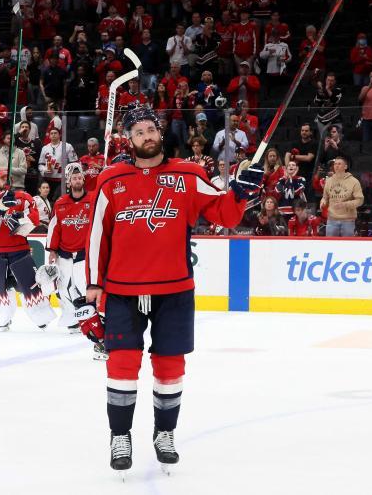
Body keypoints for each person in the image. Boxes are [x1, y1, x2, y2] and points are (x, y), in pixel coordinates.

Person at [83, 104, 263, 474]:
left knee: (170, 366)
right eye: (139, 132)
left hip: (174, 288)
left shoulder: (188, 174)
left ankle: (165, 433)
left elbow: (225, 214)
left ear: (160, 133)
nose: (146, 136)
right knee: (121, 363)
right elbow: (98, 234)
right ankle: (120, 436)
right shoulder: (111, 180)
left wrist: (241, 192)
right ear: (129, 139)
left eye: (151, 129)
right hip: (122, 289)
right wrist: (93, 285)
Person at [0, 170, 53, 331]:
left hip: (19, 251)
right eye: (2, 178)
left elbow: (34, 218)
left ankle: (41, 316)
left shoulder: (23, 197)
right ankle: (2, 319)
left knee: (31, 286)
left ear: (12, 181)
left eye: (8, 178)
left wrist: (20, 218)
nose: (5, 181)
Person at [44, 163, 103, 358]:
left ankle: (92, 320)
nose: (77, 180)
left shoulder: (93, 199)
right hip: (64, 253)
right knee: (64, 289)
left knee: (82, 287)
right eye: (73, 178)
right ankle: (72, 319)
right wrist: (52, 250)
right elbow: (54, 228)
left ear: (83, 179)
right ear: (68, 182)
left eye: (79, 177)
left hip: (85, 253)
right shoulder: (60, 203)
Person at [319, 156, 364, 236]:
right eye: (335, 164)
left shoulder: (354, 181)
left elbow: (360, 200)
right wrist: (323, 201)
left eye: (339, 164)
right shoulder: (329, 181)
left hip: (348, 220)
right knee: (330, 243)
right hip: (331, 219)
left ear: (345, 167)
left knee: (347, 243)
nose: (336, 166)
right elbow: (325, 197)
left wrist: (345, 204)